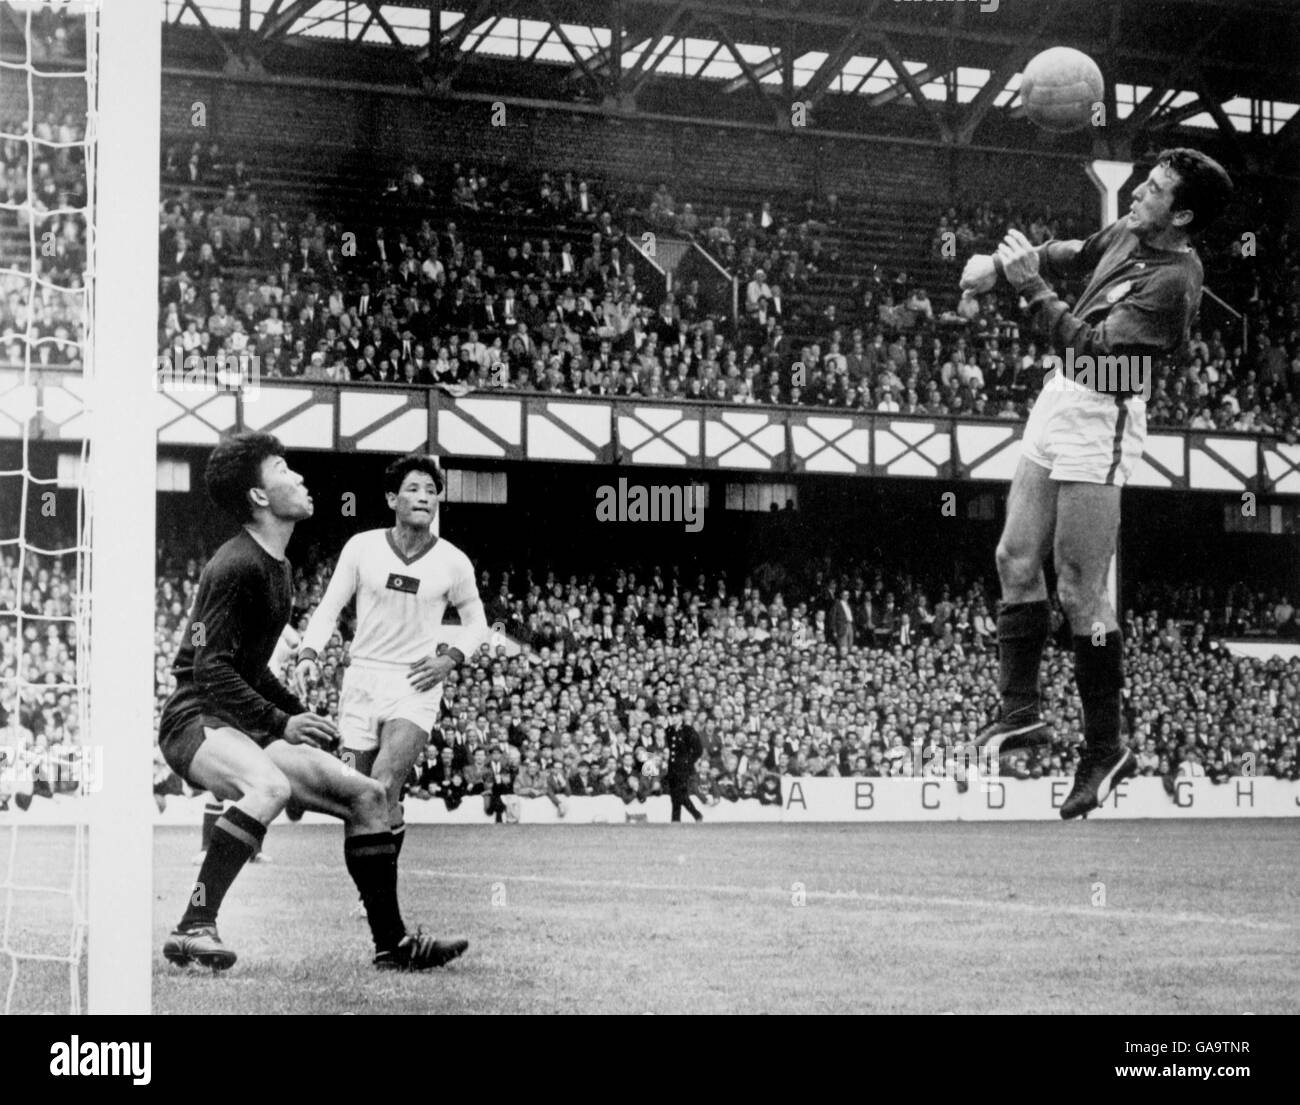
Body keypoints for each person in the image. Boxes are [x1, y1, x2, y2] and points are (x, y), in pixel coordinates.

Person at [960, 148, 1233, 819]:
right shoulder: (1127, 234)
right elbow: (1071, 250)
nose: (1140, 190)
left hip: (1106, 404)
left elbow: (1100, 357)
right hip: (1062, 396)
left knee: (1081, 589)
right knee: (1013, 557)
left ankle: (1104, 746)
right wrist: (998, 267)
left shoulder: (1176, 280)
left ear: (1185, 214)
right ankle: (1021, 711)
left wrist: (1027, 288)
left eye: (1158, 188)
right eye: (1145, 180)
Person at [158, 432, 467, 971]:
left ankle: (392, 945)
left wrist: (292, 715)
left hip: (241, 721)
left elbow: (248, 670)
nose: (300, 478)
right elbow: (208, 668)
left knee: (369, 796)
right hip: (195, 718)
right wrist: (281, 719)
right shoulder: (234, 566)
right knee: (270, 786)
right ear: (258, 497)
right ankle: (193, 926)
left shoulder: (277, 566)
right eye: (283, 469)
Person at [295, 453, 488, 896]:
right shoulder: (362, 547)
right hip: (362, 679)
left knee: (382, 783)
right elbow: (329, 607)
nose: (424, 497)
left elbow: (478, 623)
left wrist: (449, 659)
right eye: (414, 489)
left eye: (431, 490)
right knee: (360, 799)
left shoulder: (454, 562)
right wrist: (309, 652)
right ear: (391, 498)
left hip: (415, 682)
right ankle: (375, 893)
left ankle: (378, 900)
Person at [665, 703, 704, 822]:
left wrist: (688, 762)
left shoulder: (688, 730)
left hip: (684, 769)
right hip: (672, 768)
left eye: (677, 715)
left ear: (681, 716)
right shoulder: (669, 730)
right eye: (672, 715)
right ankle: (676, 820)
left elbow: (698, 749)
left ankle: (696, 814)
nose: (674, 717)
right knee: (674, 797)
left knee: (681, 795)